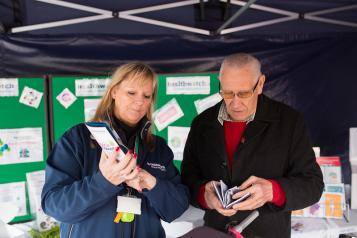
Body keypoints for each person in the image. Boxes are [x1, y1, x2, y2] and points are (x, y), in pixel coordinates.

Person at [181, 53, 324, 238]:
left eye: (244, 93)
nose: (235, 103)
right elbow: (187, 179)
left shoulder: (289, 121)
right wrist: (203, 195)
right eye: (227, 93)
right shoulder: (202, 123)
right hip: (216, 232)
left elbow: (312, 184)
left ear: (261, 84)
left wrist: (273, 191)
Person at [41, 62, 190, 238]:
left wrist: (151, 183)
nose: (139, 102)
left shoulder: (157, 147)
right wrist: (104, 181)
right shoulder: (78, 139)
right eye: (131, 93)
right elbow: (54, 205)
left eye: (147, 96)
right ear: (114, 92)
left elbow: (176, 208)